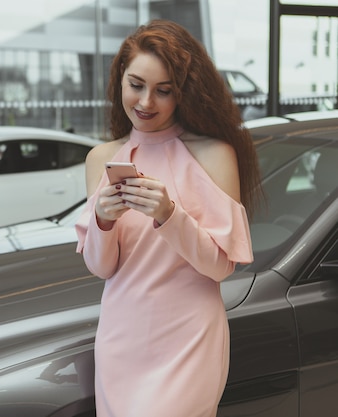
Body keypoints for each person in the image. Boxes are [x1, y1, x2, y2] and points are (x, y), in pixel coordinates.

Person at [75, 19, 262, 417]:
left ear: (185, 93)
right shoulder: (101, 158)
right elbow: (101, 266)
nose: (145, 102)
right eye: (136, 85)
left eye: (164, 91)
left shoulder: (213, 153)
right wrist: (102, 221)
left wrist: (168, 214)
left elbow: (219, 267)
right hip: (120, 338)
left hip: (188, 339)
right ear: (118, 81)